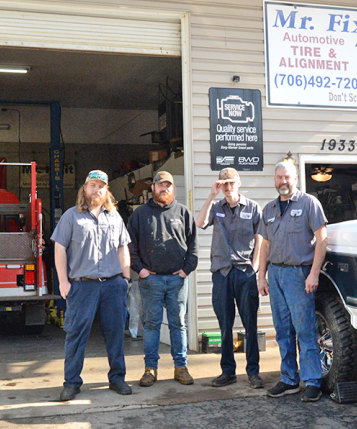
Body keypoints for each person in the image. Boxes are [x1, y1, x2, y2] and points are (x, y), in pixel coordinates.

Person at [51, 169, 132, 401]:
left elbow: (122, 248)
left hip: (112, 285)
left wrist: (126, 279)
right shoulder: (71, 216)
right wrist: (63, 282)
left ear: (107, 191)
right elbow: (59, 249)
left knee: (115, 333)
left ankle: (117, 378)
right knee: (76, 334)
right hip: (82, 286)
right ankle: (72, 382)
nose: (97, 190)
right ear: (85, 188)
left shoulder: (115, 217)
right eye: (93, 185)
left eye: (101, 187)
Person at [257, 161, 328, 403]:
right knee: (282, 331)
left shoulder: (309, 203)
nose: (283, 181)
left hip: (299, 275)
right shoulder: (269, 209)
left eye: (287, 177)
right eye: (279, 177)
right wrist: (261, 276)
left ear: (295, 179)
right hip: (276, 274)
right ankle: (289, 379)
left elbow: (322, 239)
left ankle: (312, 381)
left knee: (304, 330)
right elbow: (265, 245)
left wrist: (314, 273)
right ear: (274, 180)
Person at [128, 171, 198, 387]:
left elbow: (193, 246)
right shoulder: (140, 214)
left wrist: (186, 270)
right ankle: (150, 369)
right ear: (153, 188)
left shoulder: (183, 213)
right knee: (151, 326)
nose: (164, 189)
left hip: (177, 280)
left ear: (173, 188)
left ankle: (181, 367)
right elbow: (130, 246)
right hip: (151, 281)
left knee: (178, 325)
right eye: (160, 185)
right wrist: (141, 270)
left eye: (168, 185)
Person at [196, 168, 264, 389]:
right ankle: (228, 371)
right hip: (222, 273)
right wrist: (211, 195)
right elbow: (200, 223)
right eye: (224, 183)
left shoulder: (253, 207)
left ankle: (253, 372)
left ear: (239, 183)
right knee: (225, 325)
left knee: (250, 324)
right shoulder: (216, 207)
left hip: (244, 272)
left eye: (231, 183)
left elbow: (260, 239)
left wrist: (255, 267)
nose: (228, 187)